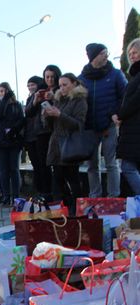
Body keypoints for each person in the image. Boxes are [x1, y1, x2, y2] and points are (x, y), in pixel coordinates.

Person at [79, 43, 127, 198]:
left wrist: (115, 113)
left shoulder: (115, 74)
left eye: (107, 52)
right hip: (89, 128)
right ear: (93, 56)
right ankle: (95, 197)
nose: (106, 56)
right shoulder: (81, 78)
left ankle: (114, 197)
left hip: (109, 125)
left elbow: (125, 96)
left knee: (111, 163)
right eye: (103, 53)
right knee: (92, 165)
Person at [44, 73, 88, 212]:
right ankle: (63, 209)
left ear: (74, 84)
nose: (62, 88)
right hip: (56, 145)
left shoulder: (79, 100)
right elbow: (51, 126)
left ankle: (77, 209)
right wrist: (47, 115)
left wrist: (59, 115)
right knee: (57, 180)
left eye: (65, 84)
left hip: (70, 145)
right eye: (60, 85)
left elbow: (79, 124)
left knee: (73, 179)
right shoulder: (59, 100)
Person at [25, 66, 61, 200]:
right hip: (41, 132)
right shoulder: (40, 91)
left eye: (52, 76)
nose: (50, 79)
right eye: (47, 77)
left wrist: (52, 99)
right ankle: (46, 193)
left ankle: (58, 193)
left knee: (57, 165)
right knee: (42, 164)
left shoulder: (60, 90)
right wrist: (35, 101)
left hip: (56, 131)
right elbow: (28, 113)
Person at [0, 82, 25, 206]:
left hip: (14, 140)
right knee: (3, 170)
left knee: (14, 169)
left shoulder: (16, 105)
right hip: (0, 141)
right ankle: (6, 196)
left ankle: (16, 196)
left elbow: (22, 119)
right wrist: (4, 100)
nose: (3, 93)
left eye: (5, 91)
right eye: (0, 91)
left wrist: (13, 130)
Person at [117, 38, 140, 195]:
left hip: (136, 128)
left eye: (135, 52)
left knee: (128, 167)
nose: (131, 56)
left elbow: (136, 100)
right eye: (130, 53)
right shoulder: (135, 76)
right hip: (132, 128)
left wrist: (120, 114)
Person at [23, 75, 46, 196]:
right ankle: (39, 190)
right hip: (30, 135)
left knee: (42, 165)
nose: (30, 87)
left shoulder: (42, 96)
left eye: (32, 84)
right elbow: (27, 114)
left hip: (39, 134)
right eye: (28, 85)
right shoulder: (29, 99)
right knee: (36, 165)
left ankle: (44, 191)